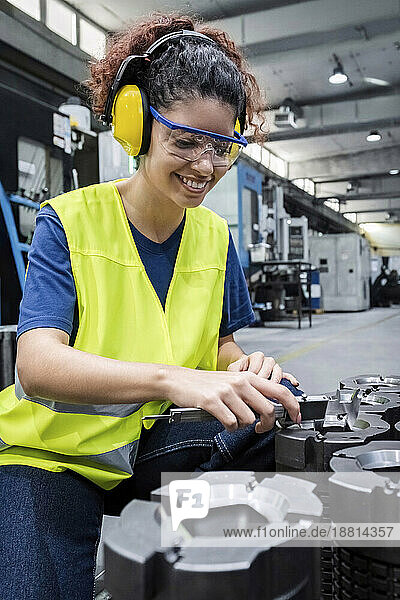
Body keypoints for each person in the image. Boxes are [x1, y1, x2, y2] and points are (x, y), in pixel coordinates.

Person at [0, 14, 302, 600]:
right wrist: (174, 381)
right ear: (136, 127)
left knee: (286, 415)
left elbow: (220, 344)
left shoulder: (215, 236)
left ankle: (192, 561)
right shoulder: (69, 221)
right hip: (53, 458)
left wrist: (243, 369)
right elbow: (35, 366)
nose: (203, 166)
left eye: (222, 147)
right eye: (185, 142)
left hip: (156, 444)